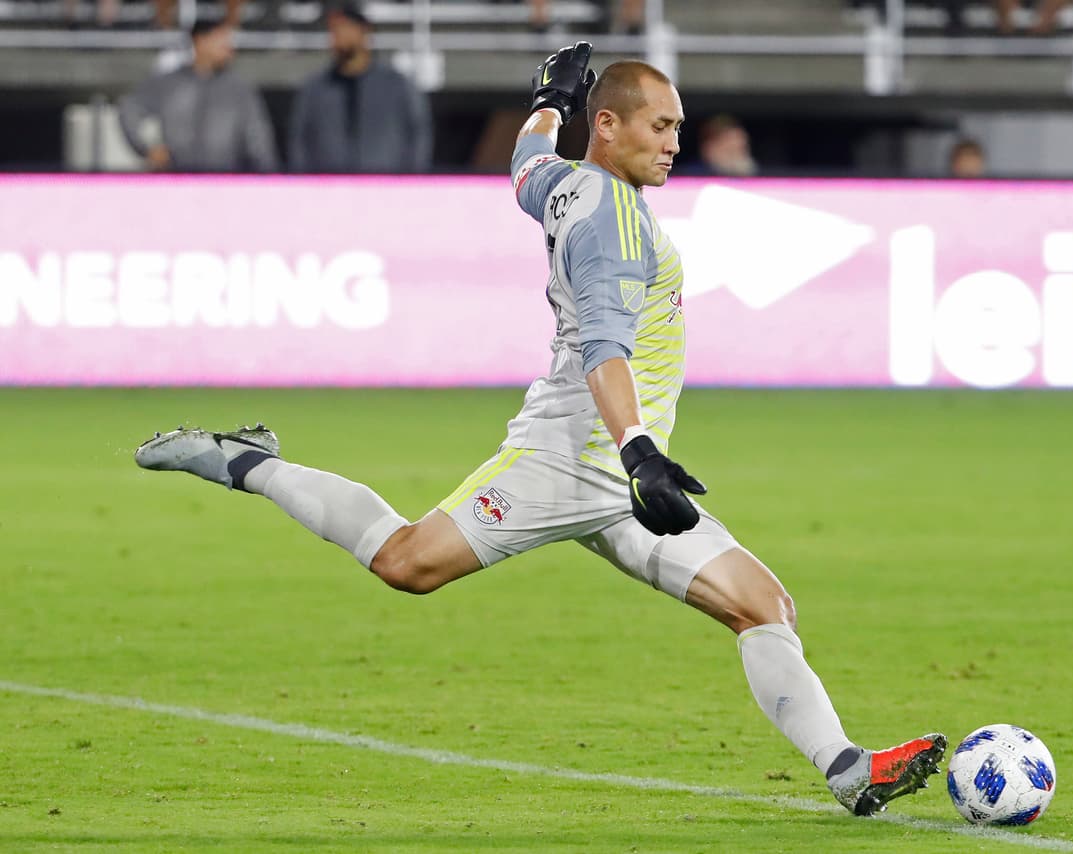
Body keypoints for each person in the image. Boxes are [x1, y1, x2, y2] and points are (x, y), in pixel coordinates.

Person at [133, 42, 945, 816]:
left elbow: (523, 164)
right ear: (612, 125)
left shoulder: (562, 182)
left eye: (679, 130)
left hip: (625, 476)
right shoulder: (615, 223)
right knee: (407, 562)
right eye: (660, 127)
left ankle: (846, 770)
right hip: (572, 460)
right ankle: (251, 463)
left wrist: (547, 104)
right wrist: (641, 454)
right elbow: (603, 346)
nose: (674, 145)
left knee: (763, 606)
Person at [118, 18, 278, 173]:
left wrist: (268, 177)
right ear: (200, 41)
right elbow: (130, 108)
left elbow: (259, 140)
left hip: (226, 182)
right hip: (175, 180)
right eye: (221, 40)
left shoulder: (239, 89)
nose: (229, 48)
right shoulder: (169, 83)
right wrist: (147, 148)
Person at [289, 1, 431, 174]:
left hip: (385, 188)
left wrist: (410, 182)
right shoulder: (315, 89)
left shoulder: (397, 85)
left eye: (345, 27)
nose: (338, 36)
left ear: (364, 30)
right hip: (329, 190)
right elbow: (300, 142)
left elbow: (418, 137)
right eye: (334, 30)